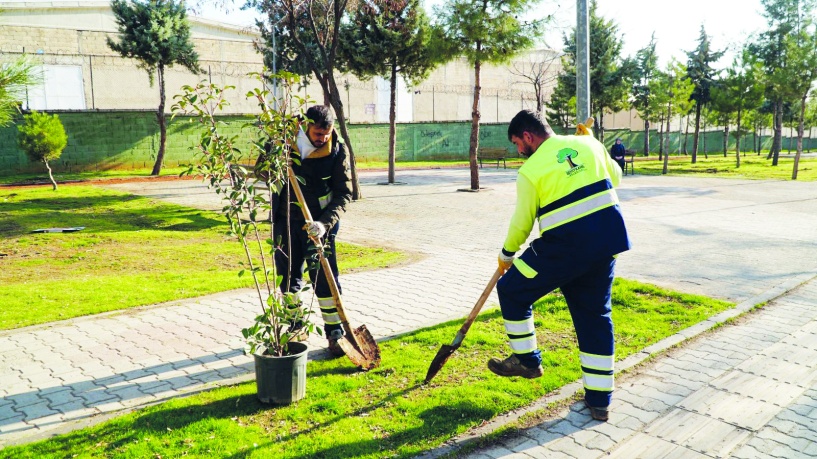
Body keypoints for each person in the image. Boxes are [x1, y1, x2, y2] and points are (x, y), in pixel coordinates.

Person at [490, 110, 630, 422]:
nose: (518, 151)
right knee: (594, 318)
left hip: (563, 248)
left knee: (511, 289)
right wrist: (593, 142)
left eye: (517, 143)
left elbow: (522, 221)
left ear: (528, 136)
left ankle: (526, 360)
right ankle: (599, 401)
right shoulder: (589, 146)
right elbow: (616, 177)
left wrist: (507, 255)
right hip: (605, 242)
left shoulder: (531, 170)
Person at [261, 105, 353, 357]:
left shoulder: (336, 150)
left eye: (326, 134)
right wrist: (273, 153)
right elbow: (262, 172)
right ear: (305, 126)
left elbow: (344, 194)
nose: (321, 139)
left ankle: (335, 333)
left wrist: (324, 225)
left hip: (320, 224)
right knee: (288, 276)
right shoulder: (283, 142)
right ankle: (294, 328)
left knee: (325, 277)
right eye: (317, 134)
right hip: (286, 220)